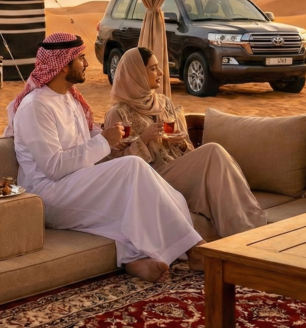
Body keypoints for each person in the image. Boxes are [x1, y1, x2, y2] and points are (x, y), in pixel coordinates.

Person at [4, 33, 205, 283]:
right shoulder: (36, 107)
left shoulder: (70, 99)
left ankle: (134, 258)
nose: (87, 63)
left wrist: (111, 138)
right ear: (62, 64)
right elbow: (53, 167)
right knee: (132, 166)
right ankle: (193, 248)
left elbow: (85, 137)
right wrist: (104, 142)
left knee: (144, 188)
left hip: (77, 183)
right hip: (49, 194)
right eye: (81, 58)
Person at [101, 47, 267, 242]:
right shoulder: (118, 113)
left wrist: (180, 144)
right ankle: (244, 233)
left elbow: (188, 148)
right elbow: (115, 166)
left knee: (215, 156)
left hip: (178, 169)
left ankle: (248, 228)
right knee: (213, 151)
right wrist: (143, 139)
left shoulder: (164, 103)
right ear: (136, 73)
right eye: (153, 69)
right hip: (152, 179)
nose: (161, 73)